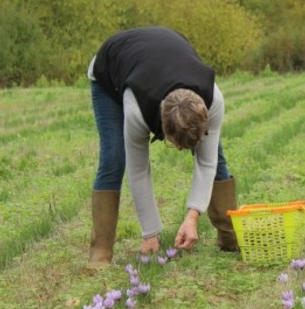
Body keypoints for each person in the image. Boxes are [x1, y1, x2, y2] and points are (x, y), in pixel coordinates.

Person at [87, 26, 240, 269]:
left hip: (162, 55)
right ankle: (101, 250)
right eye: (176, 145)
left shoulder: (214, 100)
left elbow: (207, 162)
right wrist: (150, 234)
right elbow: (139, 171)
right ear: (162, 128)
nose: (181, 151)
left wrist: (192, 217)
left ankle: (229, 235)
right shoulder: (138, 108)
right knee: (114, 158)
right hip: (111, 72)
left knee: (215, 155)